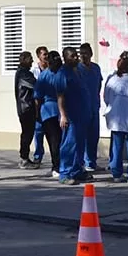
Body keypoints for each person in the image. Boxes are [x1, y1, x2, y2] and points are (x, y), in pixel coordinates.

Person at [102, 51, 128, 182]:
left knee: (116, 147)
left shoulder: (112, 80)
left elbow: (106, 98)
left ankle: (117, 173)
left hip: (115, 119)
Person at [53, 47, 89, 185]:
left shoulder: (78, 70)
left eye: (76, 55)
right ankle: (65, 173)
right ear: (65, 58)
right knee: (69, 144)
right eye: (72, 56)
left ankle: (77, 170)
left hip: (82, 114)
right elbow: (60, 96)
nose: (76, 58)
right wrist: (63, 115)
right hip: (71, 115)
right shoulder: (62, 74)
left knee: (80, 144)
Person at [34, 51, 63, 179]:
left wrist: (37, 113)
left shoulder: (44, 75)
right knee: (62, 140)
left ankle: (56, 166)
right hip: (60, 110)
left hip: (48, 110)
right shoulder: (63, 73)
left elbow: (37, 97)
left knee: (53, 141)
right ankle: (60, 165)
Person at [77, 43, 103, 173]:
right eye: (81, 54)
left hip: (94, 105)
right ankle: (80, 163)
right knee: (82, 136)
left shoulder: (96, 68)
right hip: (81, 108)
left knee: (94, 136)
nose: (84, 56)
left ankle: (91, 162)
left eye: (86, 53)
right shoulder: (77, 69)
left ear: (91, 54)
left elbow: (99, 84)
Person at [14, 51, 38, 168]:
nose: (32, 61)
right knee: (27, 133)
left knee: (28, 133)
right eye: (30, 59)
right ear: (23, 60)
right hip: (26, 107)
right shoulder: (23, 74)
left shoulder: (23, 73)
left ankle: (25, 157)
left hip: (26, 107)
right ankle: (24, 158)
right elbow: (36, 84)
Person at [31, 46, 49, 167]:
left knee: (52, 132)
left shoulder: (52, 69)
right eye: (44, 54)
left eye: (47, 54)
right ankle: (38, 156)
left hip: (49, 104)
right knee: (38, 131)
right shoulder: (34, 71)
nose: (46, 56)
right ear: (38, 56)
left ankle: (55, 155)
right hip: (38, 103)